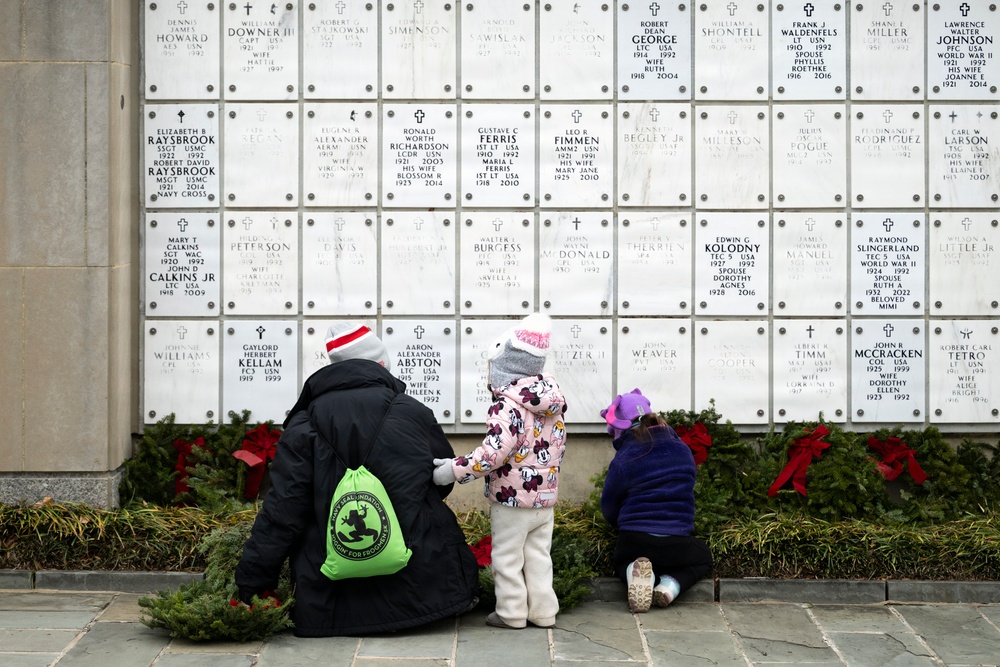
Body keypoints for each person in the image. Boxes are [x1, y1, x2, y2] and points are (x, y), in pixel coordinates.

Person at [235, 323, 480, 637]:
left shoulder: (304, 422)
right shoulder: (410, 411)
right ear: (380, 365)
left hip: (328, 602)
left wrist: (252, 587)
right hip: (424, 595)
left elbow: (283, 512)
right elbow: (440, 482)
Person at [432, 313, 567, 630]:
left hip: (512, 498)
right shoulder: (552, 400)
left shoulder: (507, 404)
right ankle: (543, 611)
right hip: (544, 495)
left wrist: (453, 470)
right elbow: (558, 445)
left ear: (505, 368)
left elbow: (493, 453)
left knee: (507, 557)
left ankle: (511, 612)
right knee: (538, 555)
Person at [599, 389, 713, 613]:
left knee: (621, 561)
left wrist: (617, 523)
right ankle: (671, 586)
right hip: (676, 541)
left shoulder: (625, 459)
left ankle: (636, 572)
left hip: (634, 540)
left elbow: (609, 507)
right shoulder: (682, 450)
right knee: (703, 558)